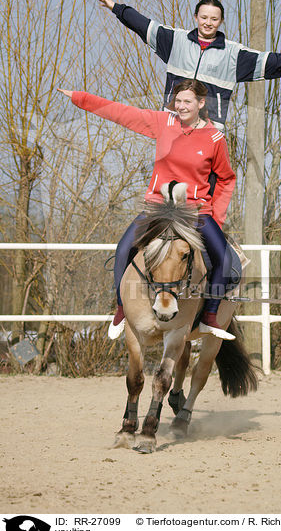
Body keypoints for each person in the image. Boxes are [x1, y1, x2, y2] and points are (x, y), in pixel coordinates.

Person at [58, 80, 236, 341]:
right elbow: (120, 112)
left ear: (200, 104)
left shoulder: (214, 138)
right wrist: (80, 97)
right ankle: (121, 309)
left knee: (224, 258)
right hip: (157, 208)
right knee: (123, 249)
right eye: (178, 101)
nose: (181, 106)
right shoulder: (162, 122)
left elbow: (226, 178)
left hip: (196, 211)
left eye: (188, 101)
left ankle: (209, 315)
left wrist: (216, 216)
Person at [98, 0, 281, 128]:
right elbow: (143, 24)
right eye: (204, 17)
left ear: (221, 21)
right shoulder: (175, 41)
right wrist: (117, 8)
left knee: (201, 199)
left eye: (214, 19)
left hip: (207, 131)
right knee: (167, 194)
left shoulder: (232, 54)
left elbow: (270, 62)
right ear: (196, 17)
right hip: (173, 124)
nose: (208, 22)